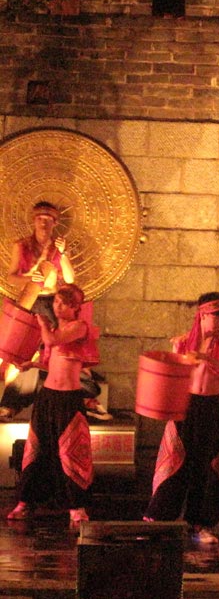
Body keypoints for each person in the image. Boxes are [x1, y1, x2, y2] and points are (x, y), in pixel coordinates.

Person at [144, 292, 219, 545]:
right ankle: (158, 517)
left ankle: (200, 523)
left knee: (207, 465)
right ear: (202, 314)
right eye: (214, 315)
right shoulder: (185, 341)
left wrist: (208, 358)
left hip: (210, 405)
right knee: (176, 461)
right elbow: (172, 372)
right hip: (185, 406)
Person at [7, 284, 99, 524]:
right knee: (36, 448)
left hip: (68, 398)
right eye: (56, 302)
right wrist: (32, 365)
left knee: (71, 452)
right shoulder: (57, 327)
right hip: (48, 395)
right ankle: (26, 502)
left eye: (63, 303)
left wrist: (42, 324)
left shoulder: (79, 328)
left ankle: (76, 506)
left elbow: (52, 339)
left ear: (75, 307)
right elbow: (52, 362)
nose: (57, 307)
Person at [5, 201, 75, 322]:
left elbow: (70, 279)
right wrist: (31, 279)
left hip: (51, 300)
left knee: (49, 338)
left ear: (54, 223)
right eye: (40, 218)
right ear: (34, 221)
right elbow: (10, 278)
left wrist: (63, 253)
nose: (43, 223)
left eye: (48, 219)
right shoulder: (21, 246)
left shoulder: (60, 246)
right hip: (28, 301)